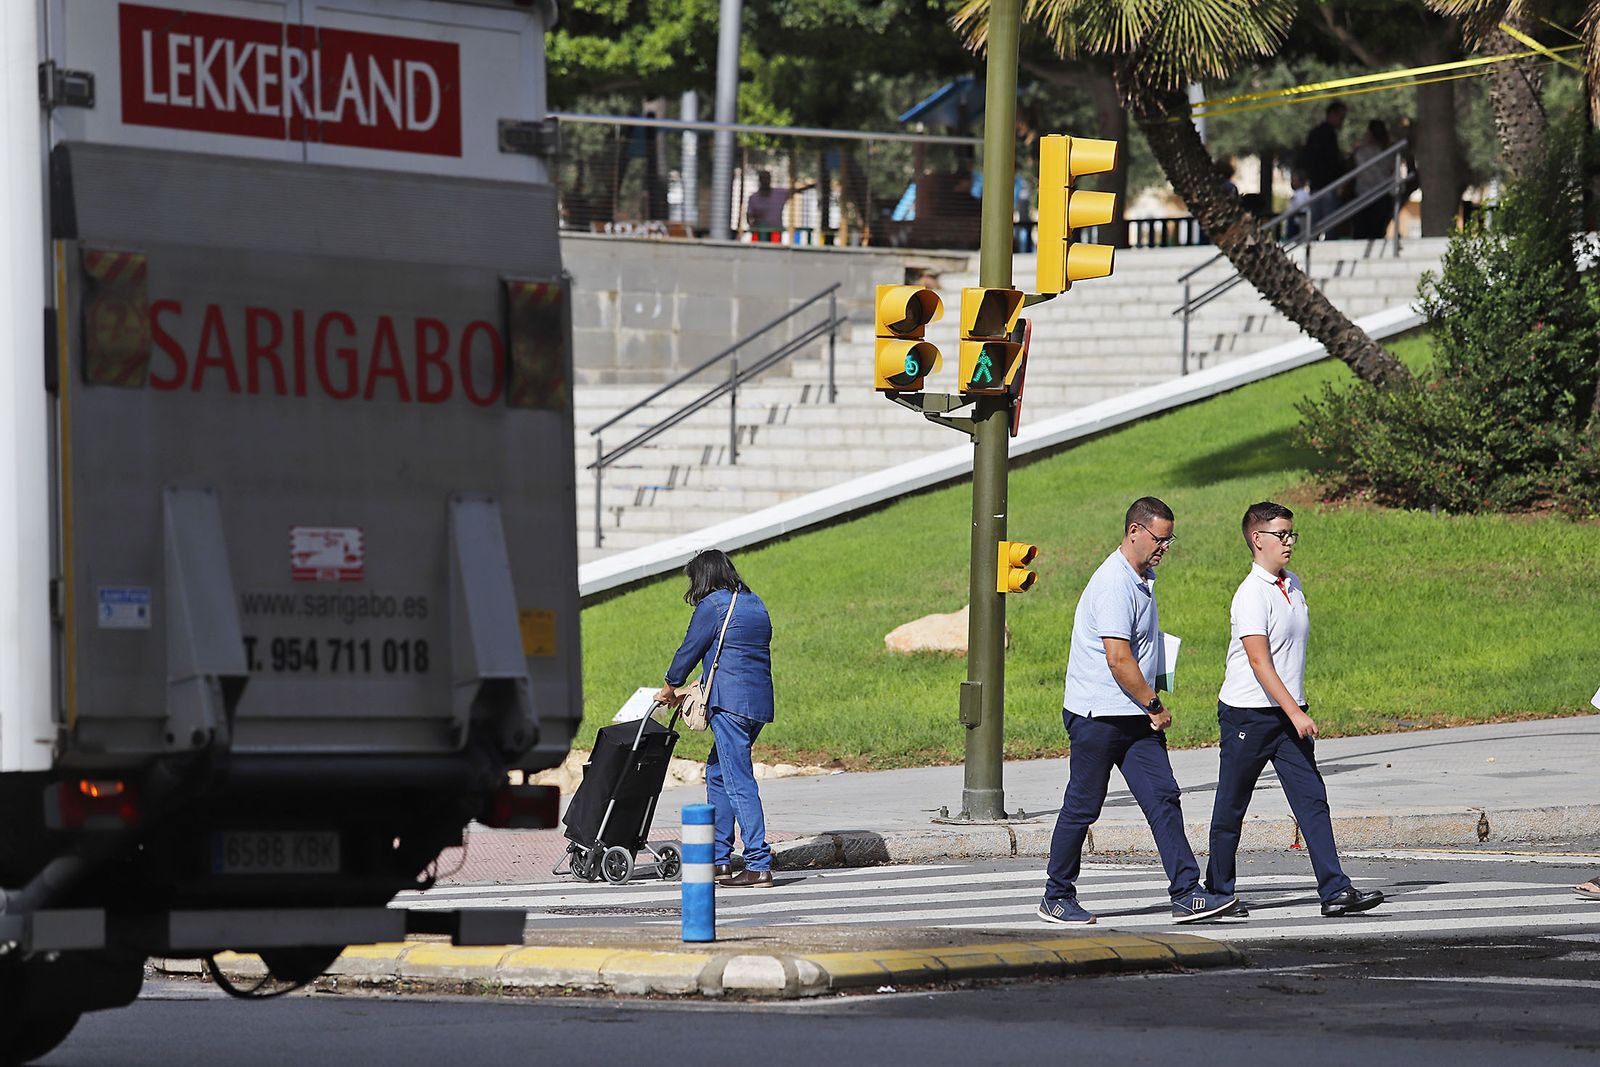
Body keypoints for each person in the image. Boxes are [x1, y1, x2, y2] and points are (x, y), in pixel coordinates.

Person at [1038, 497, 1239, 926]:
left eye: (1169, 540)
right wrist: (1154, 704)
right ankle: (1056, 896)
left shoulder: (1142, 578)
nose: (1165, 547)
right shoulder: (1114, 583)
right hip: (1099, 716)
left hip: (1133, 717)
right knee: (1083, 806)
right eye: (1160, 539)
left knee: (1163, 798)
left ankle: (1186, 893)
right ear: (1134, 531)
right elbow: (1118, 658)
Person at [1204, 502, 1384, 918]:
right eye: (1280, 535)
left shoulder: (1292, 583)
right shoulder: (1251, 594)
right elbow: (1259, 662)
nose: (1288, 542)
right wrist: (1296, 712)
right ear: (1257, 539)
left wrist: (1295, 708)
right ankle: (1218, 892)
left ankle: (1335, 890)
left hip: (1288, 713)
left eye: (1291, 534)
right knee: (1232, 804)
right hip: (1249, 714)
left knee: (1312, 800)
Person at [657, 550, 776, 888]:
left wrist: (670, 687)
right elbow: (739, 654)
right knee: (718, 772)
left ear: (703, 577)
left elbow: (689, 649)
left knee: (738, 780)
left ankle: (758, 864)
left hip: (729, 704)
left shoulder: (713, 605)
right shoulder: (754, 603)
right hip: (758, 704)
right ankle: (720, 860)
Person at [1300, 101, 1348, 232]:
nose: (1342, 121)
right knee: (1328, 223)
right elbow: (1331, 160)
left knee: (1315, 223)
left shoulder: (1317, 133)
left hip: (1317, 184)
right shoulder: (1327, 134)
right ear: (1332, 115)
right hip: (1326, 185)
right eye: (1340, 117)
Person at [1350, 119, 1395, 240]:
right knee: (1377, 233)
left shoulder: (1362, 152)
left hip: (1366, 196)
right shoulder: (1389, 153)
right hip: (1380, 196)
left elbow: (1364, 173)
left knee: (1361, 234)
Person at [745, 171, 792, 239]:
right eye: (763, 179)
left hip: (775, 232)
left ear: (770, 180)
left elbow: (794, 191)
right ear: (760, 180)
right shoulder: (753, 198)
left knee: (774, 245)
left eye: (767, 178)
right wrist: (752, 226)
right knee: (757, 245)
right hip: (759, 232)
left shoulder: (779, 194)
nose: (765, 181)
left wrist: (807, 186)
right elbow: (749, 215)